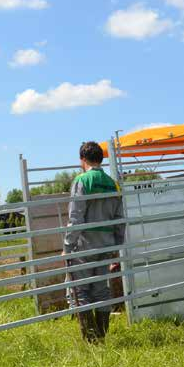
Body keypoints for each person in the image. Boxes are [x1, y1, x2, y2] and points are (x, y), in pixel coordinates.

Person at [64, 141, 125, 343]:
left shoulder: (82, 181)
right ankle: (102, 336)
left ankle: (90, 340)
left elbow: (76, 218)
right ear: (101, 159)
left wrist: (67, 247)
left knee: (81, 290)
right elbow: (119, 219)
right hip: (106, 244)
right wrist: (117, 246)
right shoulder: (112, 183)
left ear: (83, 159)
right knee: (101, 290)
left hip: (84, 244)